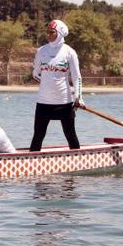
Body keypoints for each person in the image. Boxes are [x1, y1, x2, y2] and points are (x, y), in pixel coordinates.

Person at [31, 19, 83, 151]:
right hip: (43, 102)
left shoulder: (69, 52)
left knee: (71, 135)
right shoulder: (41, 51)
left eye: (51, 32)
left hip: (64, 102)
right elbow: (35, 74)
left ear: (59, 33)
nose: (48, 34)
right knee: (38, 136)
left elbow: (76, 77)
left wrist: (79, 97)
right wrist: (48, 84)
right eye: (47, 32)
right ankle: (30, 164)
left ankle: (77, 162)